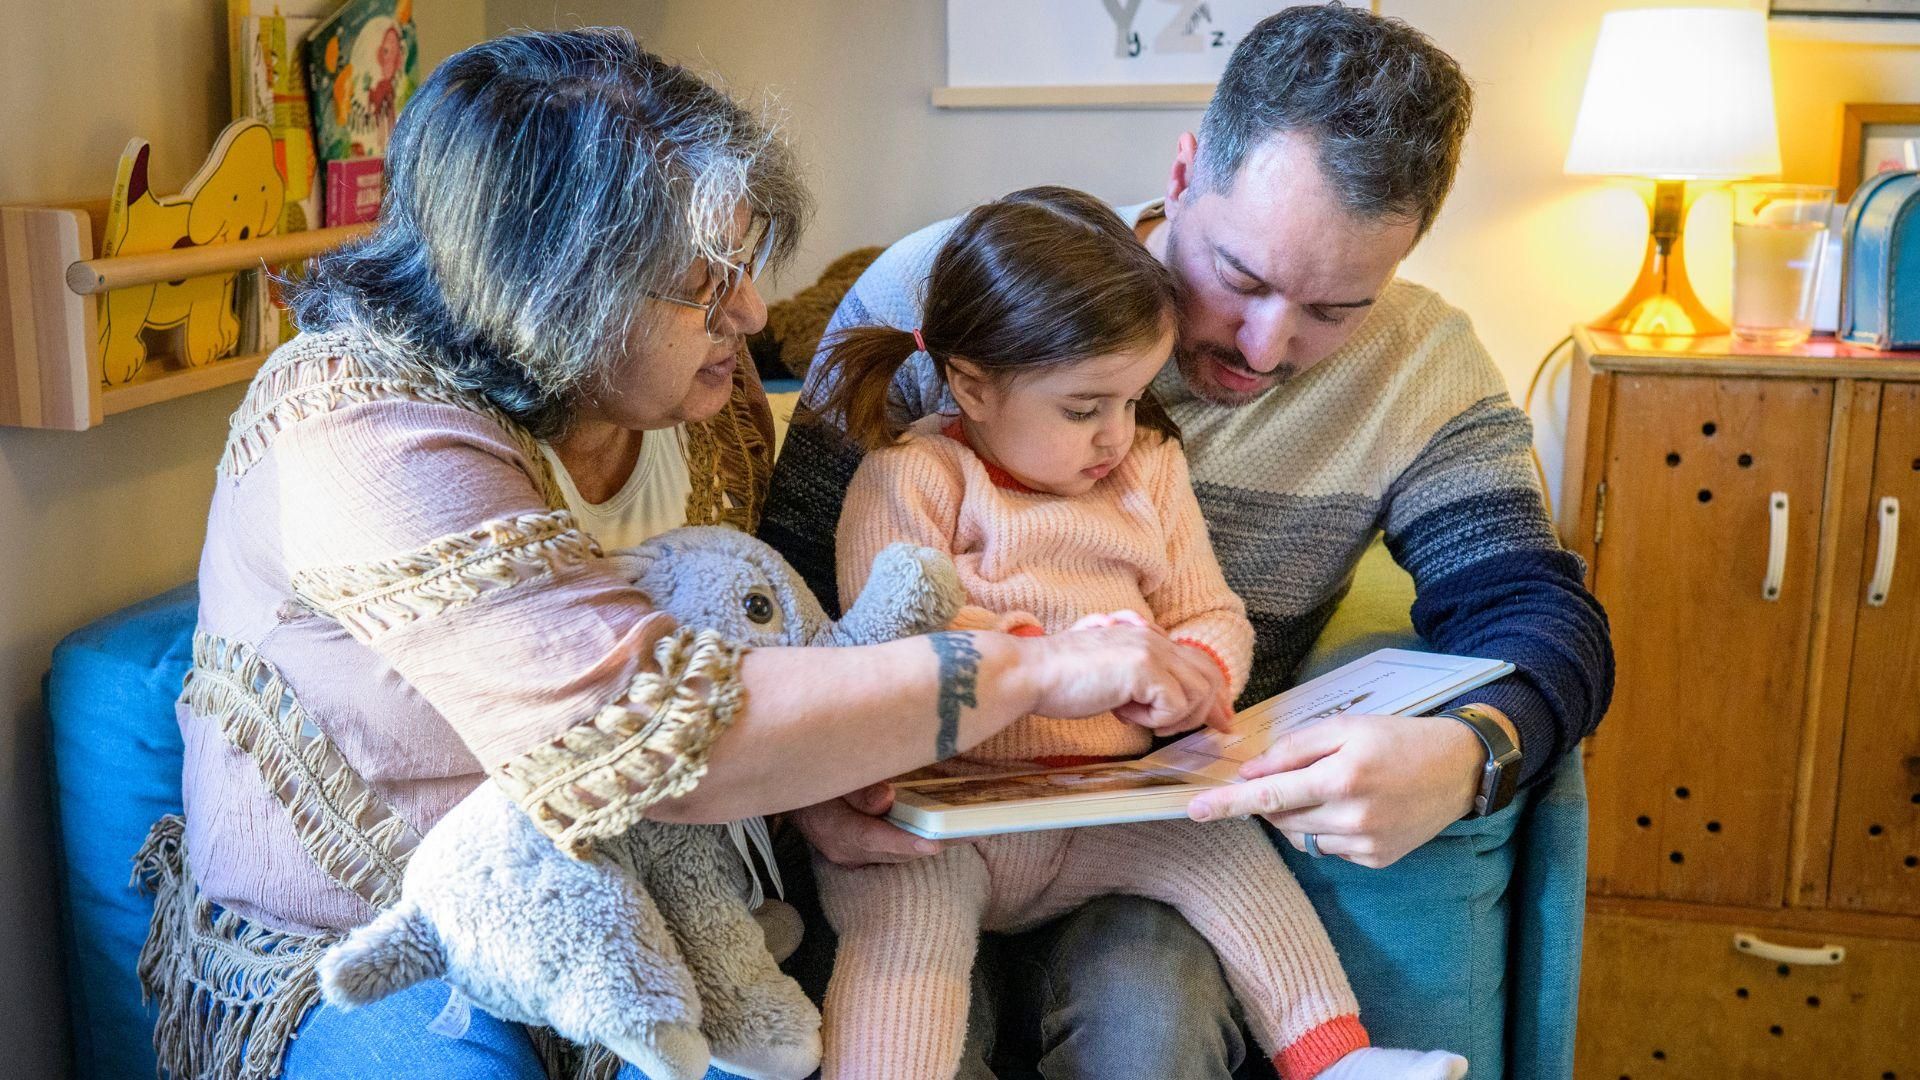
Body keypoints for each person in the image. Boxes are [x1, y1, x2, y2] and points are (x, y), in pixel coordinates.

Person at [137, 30, 1229, 1080]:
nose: (750, 312)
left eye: (743, 265)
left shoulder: (704, 399)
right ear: (557, 288)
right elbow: (645, 722)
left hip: (671, 903)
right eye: (706, 282)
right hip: (381, 934)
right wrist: (1037, 668)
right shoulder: (355, 424)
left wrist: (813, 784)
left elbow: (758, 633)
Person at [759, 5, 1614, 1076]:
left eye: (1335, 310)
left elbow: (1538, 613)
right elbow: (791, 587)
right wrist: (811, 782)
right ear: (1184, 171)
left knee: (1151, 1017)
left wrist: (1470, 753)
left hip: (1139, 828)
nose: (1265, 345)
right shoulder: (954, 291)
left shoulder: (1424, 369)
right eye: (1241, 277)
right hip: (918, 821)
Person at [809, 185, 1468, 1080]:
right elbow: (889, 636)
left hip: (1098, 804)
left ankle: (1335, 1059)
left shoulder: (1148, 473)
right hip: (938, 814)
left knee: (1224, 846)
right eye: (1085, 409)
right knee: (902, 947)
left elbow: (1209, 612)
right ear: (972, 384)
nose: (1115, 436)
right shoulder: (913, 477)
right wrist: (1043, 658)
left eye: (1133, 399)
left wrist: (1196, 674)